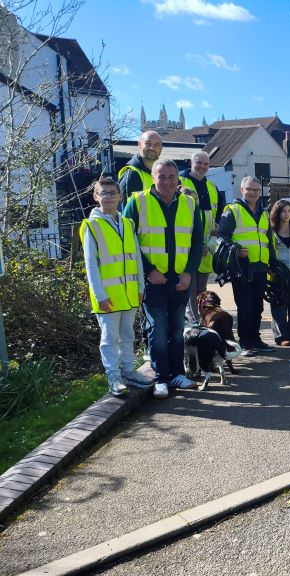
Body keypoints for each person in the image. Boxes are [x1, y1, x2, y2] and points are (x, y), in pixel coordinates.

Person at [122, 159, 204, 398]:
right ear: (153, 178)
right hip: (152, 280)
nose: (167, 181)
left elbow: (197, 241)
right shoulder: (137, 202)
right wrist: (148, 270)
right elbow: (129, 241)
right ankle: (161, 377)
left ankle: (178, 374)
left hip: (180, 279)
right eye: (162, 176)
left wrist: (189, 271)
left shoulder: (189, 203)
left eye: (171, 177)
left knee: (178, 329)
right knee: (157, 329)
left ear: (178, 178)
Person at [81, 177, 152, 396]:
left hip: (130, 292)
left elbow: (136, 259)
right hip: (108, 295)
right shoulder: (91, 226)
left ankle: (128, 370)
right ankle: (114, 376)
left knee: (128, 334)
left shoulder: (127, 224)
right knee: (109, 338)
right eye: (104, 193)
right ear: (96, 197)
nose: (109, 197)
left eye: (113, 193)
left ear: (120, 196)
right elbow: (91, 264)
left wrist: (141, 287)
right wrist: (99, 294)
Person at [217, 176, 277, 356]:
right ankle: (245, 343)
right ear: (242, 190)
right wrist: (235, 250)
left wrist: (272, 263)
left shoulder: (264, 213)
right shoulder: (233, 210)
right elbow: (222, 236)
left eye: (256, 190)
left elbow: (269, 240)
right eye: (249, 189)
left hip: (260, 266)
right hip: (242, 267)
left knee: (258, 306)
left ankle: (255, 339)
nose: (252, 193)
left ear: (260, 193)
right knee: (245, 305)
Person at [180, 151, 223, 324]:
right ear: (191, 162)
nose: (202, 167)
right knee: (189, 286)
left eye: (206, 164)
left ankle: (203, 318)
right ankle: (194, 319)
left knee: (202, 287)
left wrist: (211, 243)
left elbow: (216, 217)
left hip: (206, 246)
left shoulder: (212, 186)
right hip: (188, 244)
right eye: (199, 162)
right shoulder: (180, 181)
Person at [269, 199, 290, 346]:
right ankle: (282, 336)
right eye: (283, 211)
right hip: (278, 273)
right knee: (278, 305)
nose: (287, 214)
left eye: (289, 211)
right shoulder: (271, 231)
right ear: (277, 213)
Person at [119, 130, 162, 208]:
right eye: (148, 144)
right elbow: (127, 214)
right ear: (139, 145)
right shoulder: (132, 175)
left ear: (161, 148)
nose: (152, 148)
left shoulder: (163, 174)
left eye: (157, 144)